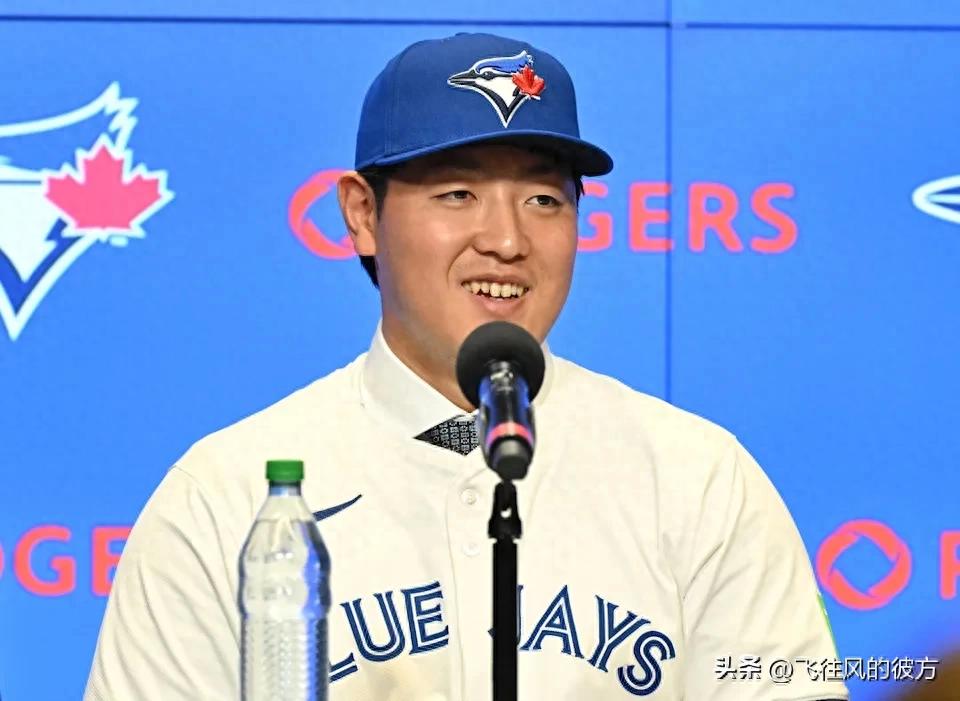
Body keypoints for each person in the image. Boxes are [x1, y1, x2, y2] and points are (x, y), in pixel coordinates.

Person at [84, 32, 849, 701]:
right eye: (458, 192)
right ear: (360, 214)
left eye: (545, 200)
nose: (507, 241)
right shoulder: (225, 494)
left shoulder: (697, 476)